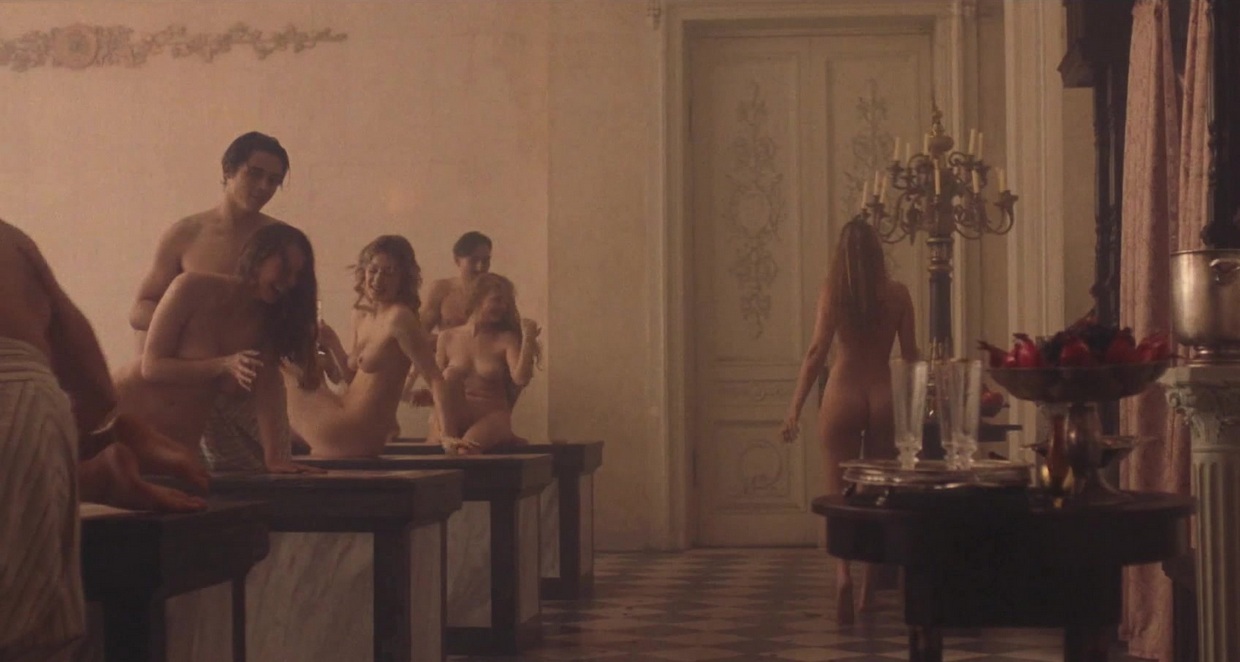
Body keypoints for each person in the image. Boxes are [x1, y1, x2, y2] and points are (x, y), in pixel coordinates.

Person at [0, 219, 207, 662]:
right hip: (26, 396)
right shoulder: (11, 240)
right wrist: (98, 424)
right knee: (25, 632)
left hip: (15, 394)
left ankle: (99, 463)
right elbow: (87, 371)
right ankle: (99, 463)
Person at [779, 219, 918, 625]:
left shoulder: (834, 293)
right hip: (882, 392)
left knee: (838, 495)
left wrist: (794, 408)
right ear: (877, 252)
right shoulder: (897, 294)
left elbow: (816, 353)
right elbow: (911, 356)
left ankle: (842, 575)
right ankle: (867, 592)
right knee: (877, 496)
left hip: (843, 390)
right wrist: (922, 403)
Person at [113, 222, 321, 473]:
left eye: (298, 275)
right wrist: (222, 364)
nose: (290, 281)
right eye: (285, 267)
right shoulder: (191, 287)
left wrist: (276, 458)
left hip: (177, 444)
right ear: (258, 256)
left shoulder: (266, 322)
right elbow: (152, 367)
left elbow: (269, 388)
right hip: (121, 419)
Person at [287, 236, 457, 457]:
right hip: (342, 418)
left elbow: (435, 379)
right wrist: (332, 343)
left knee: (278, 366)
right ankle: (285, 443)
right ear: (363, 272)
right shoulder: (361, 315)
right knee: (291, 362)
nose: (378, 279)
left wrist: (448, 435)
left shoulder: (400, 318)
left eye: (389, 272)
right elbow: (351, 378)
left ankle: (276, 447)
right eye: (373, 270)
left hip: (355, 432)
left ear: (403, 279)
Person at [129, 131, 291, 350]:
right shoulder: (185, 234)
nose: (264, 186)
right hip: (189, 362)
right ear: (228, 170)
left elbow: (297, 313)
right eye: (254, 174)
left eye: (273, 181)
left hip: (252, 361)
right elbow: (140, 309)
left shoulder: (282, 241)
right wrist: (190, 330)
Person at [426, 273, 541, 455]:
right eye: (497, 300)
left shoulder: (506, 339)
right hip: (458, 414)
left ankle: (458, 445)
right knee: (449, 375)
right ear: (477, 298)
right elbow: (438, 385)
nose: (502, 307)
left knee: (464, 451)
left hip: (492, 416)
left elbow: (521, 379)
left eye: (506, 303)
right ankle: (448, 437)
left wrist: (528, 339)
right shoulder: (447, 337)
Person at [403, 231, 493, 403]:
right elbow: (419, 334)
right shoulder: (442, 289)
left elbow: (508, 337)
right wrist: (446, 340)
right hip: (449, 368)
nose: (481, 267)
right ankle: (408, 390)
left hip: (483, 370)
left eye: (486, 260)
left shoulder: (496, 292)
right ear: (457, 260)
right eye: (474, 260)